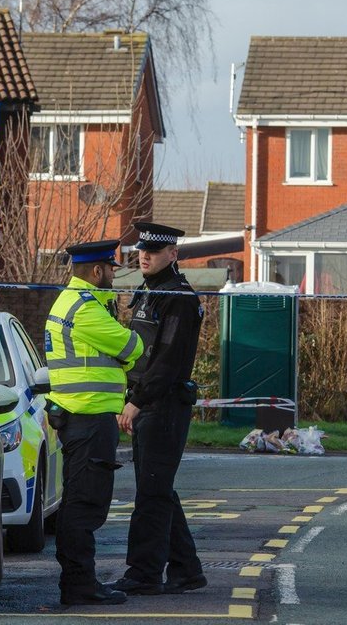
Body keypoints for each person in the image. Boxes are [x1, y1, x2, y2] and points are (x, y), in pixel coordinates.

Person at [108, 222, 207, 596]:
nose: (144, 256)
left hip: (163, 405)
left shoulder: (177, 298)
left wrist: (136, 401)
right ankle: (186, 569)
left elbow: (167, 361)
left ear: (173, 255)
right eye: (141, 250)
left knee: (151, 493)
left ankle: (145, 573)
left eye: (153, 250)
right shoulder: (150, 293)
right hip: (151, 403)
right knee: (158, 488)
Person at [46, 239, 144, 607]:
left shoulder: (81, 303)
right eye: (112, 269)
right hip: (86, 417)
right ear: (97, 270)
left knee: (83, 503)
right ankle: (79, 585)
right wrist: (125, 355)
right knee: (85, 505)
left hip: (84, 416)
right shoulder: (84, 309)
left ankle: (80, 582)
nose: (115, 276)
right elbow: (132, 348)